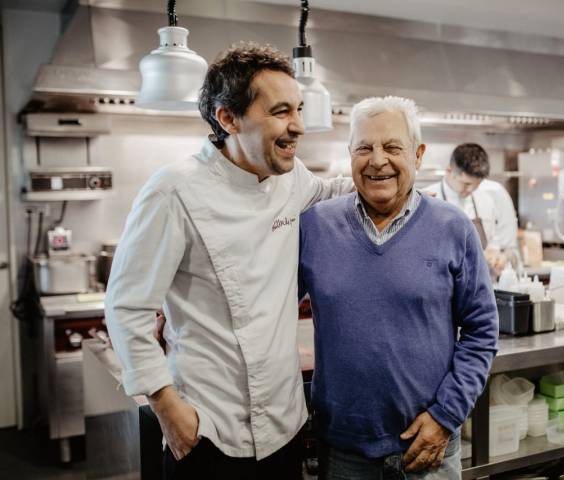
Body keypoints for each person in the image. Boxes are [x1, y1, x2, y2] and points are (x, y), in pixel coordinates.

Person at [104, 43, 353, 480]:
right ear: (228, 119)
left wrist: (385, 171)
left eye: (298, 109)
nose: (298, 126)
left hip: (285, 424)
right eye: (280, 111)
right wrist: (166, 406)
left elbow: (333, 193)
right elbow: (126, 307)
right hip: (208, 430)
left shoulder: (291, 177)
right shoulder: (174, 191)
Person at [298, 96, 499, 479]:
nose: (377, 160)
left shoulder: (453, 228)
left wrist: (445, 416)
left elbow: (482, 332)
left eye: (392, 147)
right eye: (364, 148)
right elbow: (266, 304)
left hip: (427, 448)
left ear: (418, 155)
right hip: (343, 452)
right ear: (350, 154)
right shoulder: (315, 226)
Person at [426, 143, 520, 273]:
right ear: (449, 170)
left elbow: (504, 246)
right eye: (466, 184)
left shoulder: (490, 197)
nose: (471, 189)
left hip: (483, 285)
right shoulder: (428, 199)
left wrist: (500, 256)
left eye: (477, 184)